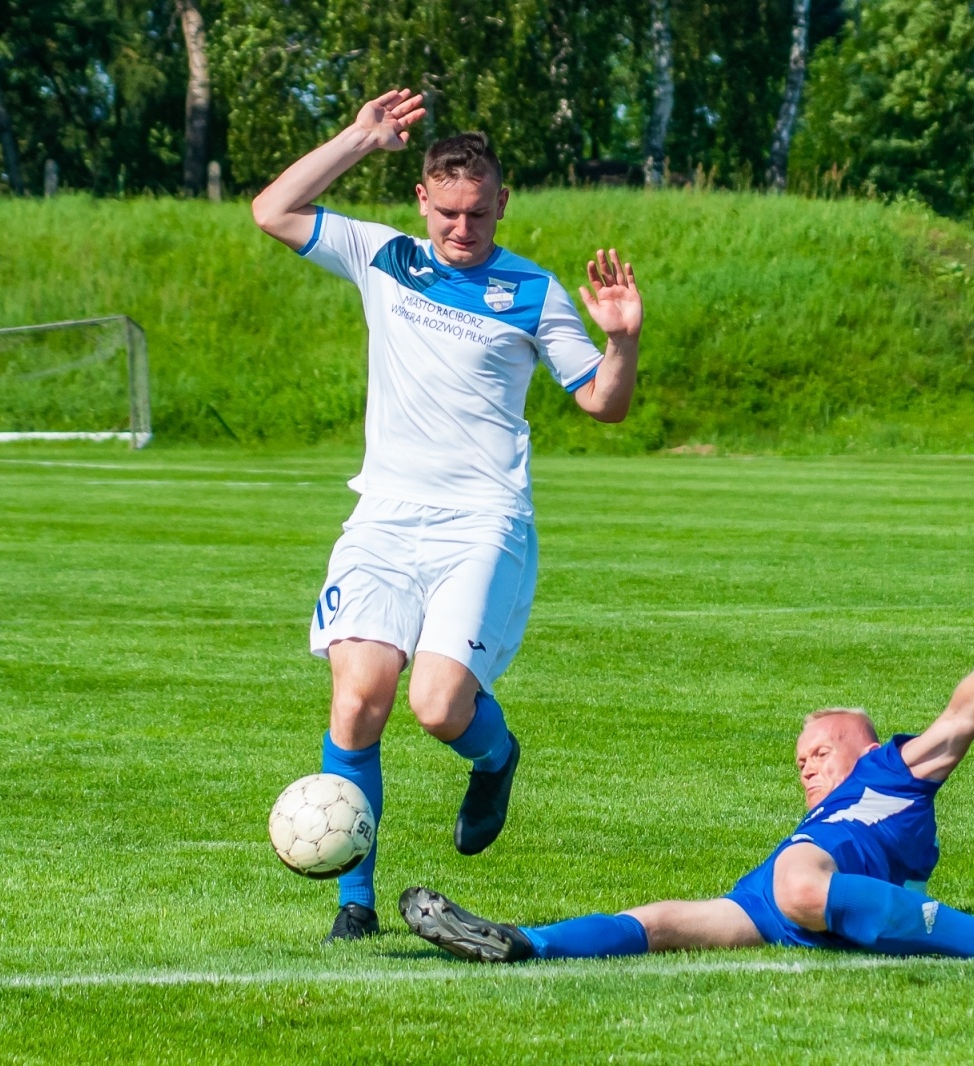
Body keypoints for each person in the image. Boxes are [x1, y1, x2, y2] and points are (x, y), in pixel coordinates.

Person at [251, 89, 643, 941]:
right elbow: (273, 210)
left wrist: (622, 343)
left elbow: (604, 407)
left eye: (477, 212)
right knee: (358, 702)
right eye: (447, 212)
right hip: (384, 518)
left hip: (481, 523)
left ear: (502, 202)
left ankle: (494, 757)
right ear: (422, 199)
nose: (461, 229)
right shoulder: (384, 256)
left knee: (435, 706)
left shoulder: (534, 292)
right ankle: (354, 904)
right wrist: (359, 139)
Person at [397, 592, 974, 964]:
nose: (805, 764)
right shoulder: (817, 819)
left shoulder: (887, 775)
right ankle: (521, 941)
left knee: (796, 880)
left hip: (805, 881)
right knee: (663, 920)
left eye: (817, 749)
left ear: (863, 742)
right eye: (800, 760)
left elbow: (964, 717)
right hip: (781, 890)